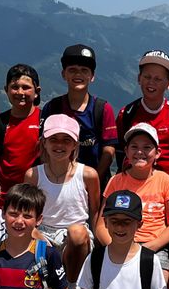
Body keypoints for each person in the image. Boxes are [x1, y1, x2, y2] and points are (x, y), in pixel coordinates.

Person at [27, 113, 99, 289]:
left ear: (75, 144)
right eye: (54, 139)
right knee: (32, 233)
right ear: (44, 143)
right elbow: (29, 211)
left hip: (76, 234)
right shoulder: (33, 175)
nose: (60, 145)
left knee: (77, 233)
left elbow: (94, 211)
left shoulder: (88, 175)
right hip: (44, 231)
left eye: (66, 140)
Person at [40, 44, 117, 187]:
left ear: (92, 76)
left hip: (95, 183)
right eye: (72, 70)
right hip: (57, 182)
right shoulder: (52, 108)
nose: (78, 75)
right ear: (64, 74)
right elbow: (42, 145)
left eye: (84, 70)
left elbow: (109, 150)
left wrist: (93, 181)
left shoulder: (103, 109)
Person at [97, 122, 169, 254]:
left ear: (157, 153)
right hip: (117, 245)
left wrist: (147, 249)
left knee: (159, 273)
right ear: (126, 151)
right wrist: (115, 247)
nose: (140, 152)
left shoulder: (166, 181)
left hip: (155, 248)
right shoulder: (116, 181)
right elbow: (101, 225)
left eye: (147, 147)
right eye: (134, 147)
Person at [114, 50, 169, 177]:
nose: (151, 82)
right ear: (139, 78)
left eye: (158, 79)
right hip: (133, 185)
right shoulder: (127, 113)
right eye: (147, 77)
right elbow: (119, 149)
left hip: (168, 189)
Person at [0, 62, 43, 195]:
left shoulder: (44, 121)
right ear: (6, 90)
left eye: (26, 87)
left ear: (37, 92)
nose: (20, 92)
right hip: (4, 198)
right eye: (15, 87)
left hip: (35, 196)